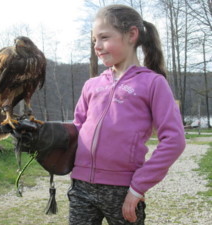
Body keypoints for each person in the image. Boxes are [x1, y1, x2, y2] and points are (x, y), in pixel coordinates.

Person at [67, 4, 186, 225]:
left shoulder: (152, 83)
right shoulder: (92, 85)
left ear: (131, 34)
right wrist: (44, 134)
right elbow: (77, 128)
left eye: (104, 37)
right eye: (94, 40)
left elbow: (175, 140)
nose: (97, 46)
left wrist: (137, 187)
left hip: (123, 190)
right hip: (81, 185)